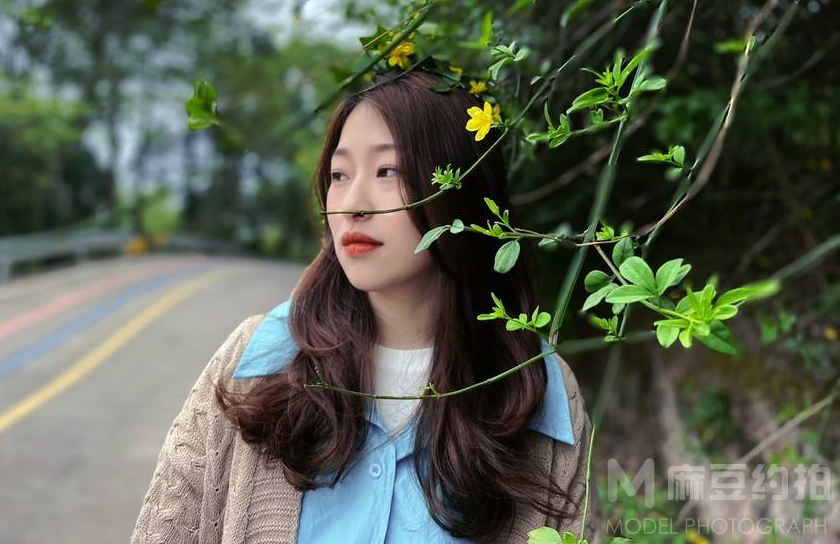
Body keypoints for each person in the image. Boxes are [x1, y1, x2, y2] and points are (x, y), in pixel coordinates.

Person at [131, 69, 598, 543]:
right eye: (339, 175)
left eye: (387, 171)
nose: (353, 204)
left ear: (458, 191)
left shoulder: (536, 392)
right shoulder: (256, 363)